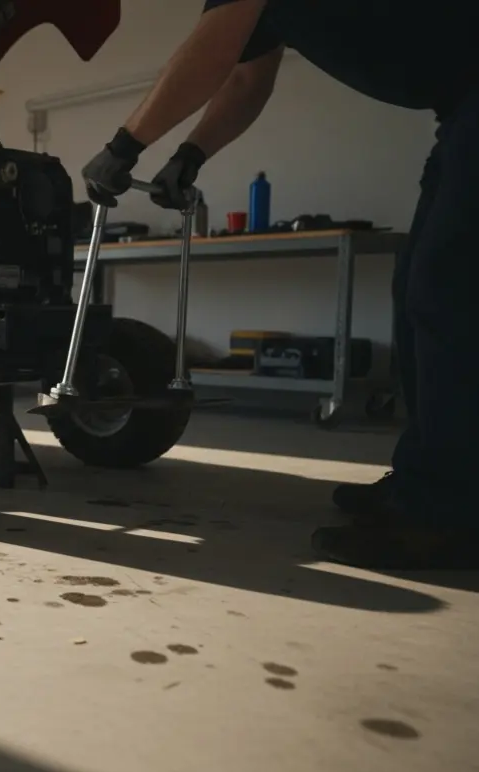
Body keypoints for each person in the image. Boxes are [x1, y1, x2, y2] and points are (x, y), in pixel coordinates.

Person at [80, 0, 478, 569]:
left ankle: (444, 513)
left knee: (446, 291)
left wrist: (124, 146)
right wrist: (190, 156)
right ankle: (425, 480)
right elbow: (246, 75)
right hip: (460, 106)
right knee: (416, 282)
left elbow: (213, 50)